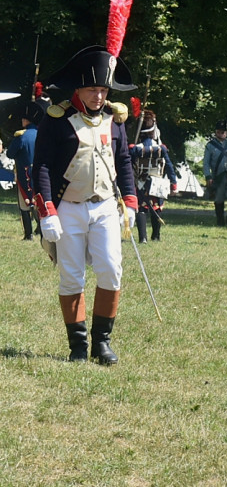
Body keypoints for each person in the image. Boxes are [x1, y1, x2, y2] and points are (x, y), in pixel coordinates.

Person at [33, 41, 139, 365]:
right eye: (93, 89)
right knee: (71, 275)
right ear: (79, 88)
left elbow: (123, 163)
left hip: (105, 206)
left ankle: (102, 343)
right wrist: (47, 211)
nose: (99, 96)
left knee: (111, 270)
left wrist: (131, 202)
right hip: (68, 208)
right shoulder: (57, 119)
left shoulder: (114, 121)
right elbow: (42, 167)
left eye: (103, 90)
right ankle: (77, 346)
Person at [129, 110, 177, 242]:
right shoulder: (162, 148)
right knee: (156, 208)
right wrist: (174, 183)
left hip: (140, 182)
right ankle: (156, 236)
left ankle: (143, 238)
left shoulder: (134, 149)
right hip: (157, 183)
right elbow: (169, 166)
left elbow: (129, 166)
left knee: (142, 208)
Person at [7, 97, 46, 240]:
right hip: (41, 174)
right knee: (40, 202)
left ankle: (28, 234)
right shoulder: (43, 134)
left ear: (26, 120)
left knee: (24, 204)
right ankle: (41, 230)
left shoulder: (21, 137)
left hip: (25, 175)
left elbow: (10, 154)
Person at [204, 119, 227, 227]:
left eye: (222, 132)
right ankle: (220, 221)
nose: (220, 134)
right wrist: (208, 176)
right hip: (218, 176)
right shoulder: (210, 145)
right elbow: (206, 163)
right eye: (218, 132)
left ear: (226, 132)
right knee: (219, 198)